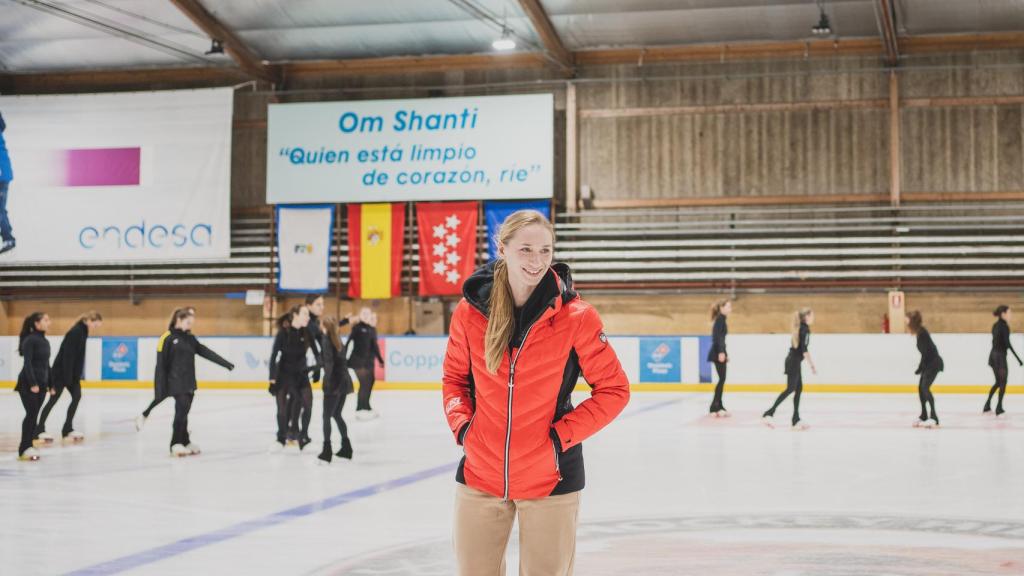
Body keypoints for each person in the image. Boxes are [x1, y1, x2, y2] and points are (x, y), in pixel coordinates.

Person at [442, 210, 630, 575]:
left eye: (545, 250)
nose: (537, 260)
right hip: (481, 473)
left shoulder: (577, 317)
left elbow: (615, 390)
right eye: (526, 249)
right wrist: (465, 429)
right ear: (502, 249)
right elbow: (454, 379)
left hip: (551, 478)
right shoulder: (469, 313)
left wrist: (558, 439)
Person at [157, 307, 234, 456]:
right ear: (179, 320)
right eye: (188, 323)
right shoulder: (168, 338)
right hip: (175, 383)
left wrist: (225, 363)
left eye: (191, 323)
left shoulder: (190, 339)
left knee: (184, 413)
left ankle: (185, 441)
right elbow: (161, 365)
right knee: (180, 412)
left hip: (189, 382)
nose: (190, 326)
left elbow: (205, 352)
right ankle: (175, 443)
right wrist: (161, 387)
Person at [36, 311, 103, 443]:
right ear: (89, 320)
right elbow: (68, 355)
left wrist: (75, 376)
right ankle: (39, 429)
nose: (95, 328)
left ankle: (67, 428)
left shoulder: (83, 331)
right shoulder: (76, 331)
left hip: (72, 374)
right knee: (53, 400)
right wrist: (68, 377)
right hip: (61, 373)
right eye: (95, 325)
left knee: (76, 396)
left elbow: (78, 356)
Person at [136, 307, 194, 431]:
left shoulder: (186, 337)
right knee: (160, 398)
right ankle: (144, 415)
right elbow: (161, 363)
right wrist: (162, 381)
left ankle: (182, 429)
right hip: (168, 377)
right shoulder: (167, 337)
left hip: (181, 379)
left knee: (183, 404)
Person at [269, 305, 318, 450]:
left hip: (301, 375)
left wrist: (318, 369)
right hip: (283, 374)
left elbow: (317, 352)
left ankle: (303, 437)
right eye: (305, 314)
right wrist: (272, 378)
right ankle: (281, 438)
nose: (308, 317)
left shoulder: (307, 332)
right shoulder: (283, 333)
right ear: (295, 315)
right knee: (282, 409)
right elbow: (274, 356)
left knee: (308, 404)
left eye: (308, 314)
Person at [763, 308, 816, 430]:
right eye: (812, 315)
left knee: (798, 388)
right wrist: (812, 365)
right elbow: (804, 350)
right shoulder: (804, 329)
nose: (813, 318)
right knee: (791, 388)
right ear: (806, 317)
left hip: (794, 361)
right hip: (793, 362)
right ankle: (769, 412)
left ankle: (795, 419)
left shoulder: (802, 328)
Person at [288, 294, 326, 441]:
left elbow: (317, 345)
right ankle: (292, 431)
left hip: (302, 369)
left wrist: (318, 366)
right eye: (318, 304)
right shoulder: (307, 323)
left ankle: (298, 432)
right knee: (297, 400)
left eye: (322, 304)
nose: (322, 307)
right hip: (292, 370)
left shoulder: (313, 323)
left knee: (303, 401)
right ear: (309, 306)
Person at [318, 316, 354, 464]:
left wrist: (327, 382)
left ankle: (327, 451)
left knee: (326, 416)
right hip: (344, 381)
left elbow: (329, 364)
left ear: (324, 327)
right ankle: (347, 447)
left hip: (334, 383)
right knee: (337, 414)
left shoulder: (327, 340)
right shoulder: (337, 339)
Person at [16, 312, 50, 461]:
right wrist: (33, 383)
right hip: (28, 384)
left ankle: (29, 444)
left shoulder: (45, 341)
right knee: (31, 414)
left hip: (41, 385)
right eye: (46, 320)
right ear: (37, 323)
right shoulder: (30, 340)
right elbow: (27, 363)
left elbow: (47, 365)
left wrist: (51, 384)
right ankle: (23, 448)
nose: (49, 322)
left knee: (34, 414)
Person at [906, 311, 943, 428]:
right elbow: (925, 354)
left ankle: (934, 417)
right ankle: (924, 415)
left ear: (912, 323)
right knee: (921, 388)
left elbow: (927, 353)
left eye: (907, 322)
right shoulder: (919, 333)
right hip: (928, 364)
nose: (906, 325)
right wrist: (920, 367)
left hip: (934, 364)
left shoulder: (922, 333)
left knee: (925, 387)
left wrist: (921, 367)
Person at [985, 304, 1022, 416]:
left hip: (993, 356)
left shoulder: (995, 325)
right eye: (1009, 313)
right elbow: (1007, 344)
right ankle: (999, 407)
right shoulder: (1004, 327)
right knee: (1003, 382)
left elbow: (995, 342)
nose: (1011, 315)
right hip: (1000, 357)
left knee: (998, 382)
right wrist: (1018, 359)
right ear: (1003, 314)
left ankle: (987, 404)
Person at [349, 307, 384, 420]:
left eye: (367, 314)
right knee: (364, 384)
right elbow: (349, 342)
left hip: (367, 362)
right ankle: (359, 408)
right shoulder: (357, 328)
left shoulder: (371, 329)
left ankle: (366, 406)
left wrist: (380, 360)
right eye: (363, 313)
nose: (365, 315)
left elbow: (374, 346)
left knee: (370, 382)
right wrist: (342, 357)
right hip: (357, 361)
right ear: (359, 315)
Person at [707, 299, 732, 417]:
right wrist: (721, 353)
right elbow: (717, 338)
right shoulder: (720, 319)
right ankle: (714, 407)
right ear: (722, 308)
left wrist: (725, 353)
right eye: (728, 306)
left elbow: (721, 339)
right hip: (717, 353)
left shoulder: (722, 319)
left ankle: (719, 406)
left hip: (720, 352)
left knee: (722, 379)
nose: (730, 309)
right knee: (721, 379)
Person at [0, 111, 15, 256]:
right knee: (1, 209)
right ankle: (8, 238)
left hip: (1, 177)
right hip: (4, 175)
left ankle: (8, 239)